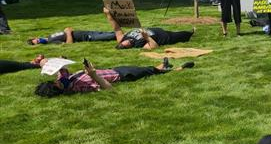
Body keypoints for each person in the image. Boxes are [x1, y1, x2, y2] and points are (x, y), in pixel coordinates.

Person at [34, 57, 194, 98]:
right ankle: (176, 69)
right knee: (148, 72)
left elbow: (60, 69)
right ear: (58, 89)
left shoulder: (65, 80)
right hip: (122, 76)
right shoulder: (77, 87)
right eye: (55, 83)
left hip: (115, 70)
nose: (57, 80)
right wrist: (93, 75)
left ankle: (162, 65)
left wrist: (44, 62)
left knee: (146, 69)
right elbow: (108, 89)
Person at [103, 6, 194, 49]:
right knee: (183, 35)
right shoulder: (138, 45)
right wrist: (146, 37)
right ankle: (192, 32)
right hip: (165, 37)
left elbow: (116, 28)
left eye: (124, 43)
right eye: (127, 45)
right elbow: (154, 47)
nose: (127, 42)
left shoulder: (122, 38)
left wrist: (108, 14)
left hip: (156, 30)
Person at [28, 27, 117, 45]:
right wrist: (68, 32)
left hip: (84, 32)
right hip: (86, 37)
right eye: (39, 43)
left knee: (109, 33)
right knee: (111, 36)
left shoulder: (50, 36)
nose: (40, 41)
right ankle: (127, 36)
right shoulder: (51, 42)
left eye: (38, 40)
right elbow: (68, 44)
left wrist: (66, 30)